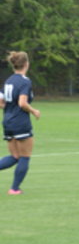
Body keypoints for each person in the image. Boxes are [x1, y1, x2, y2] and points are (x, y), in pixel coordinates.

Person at [0, 51, 41, 195]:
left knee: (14, 156)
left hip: (7, 121)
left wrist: (10, 109)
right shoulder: (25, 81)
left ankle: (15, 188)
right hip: (20, 122)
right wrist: (34, 111)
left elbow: (1, 102)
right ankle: (14, 189)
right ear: (26, 64)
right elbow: (22, 103)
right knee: (24, 156)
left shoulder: (9, 81)